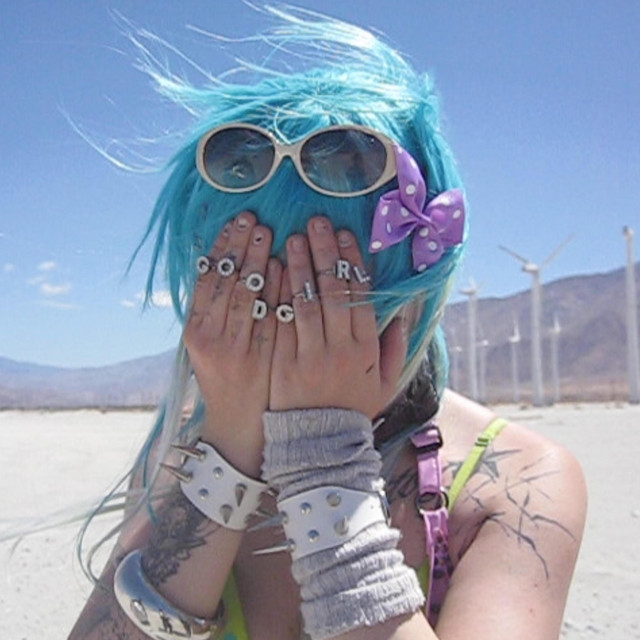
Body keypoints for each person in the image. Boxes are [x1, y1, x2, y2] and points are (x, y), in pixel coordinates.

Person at [68, 7, 586, 640]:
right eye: (252, 312)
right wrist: (227, 450)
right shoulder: (189, 446)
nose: (290, 360)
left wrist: (324, 459)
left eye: (324, 315)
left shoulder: (519, 480)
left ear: (406, 305)